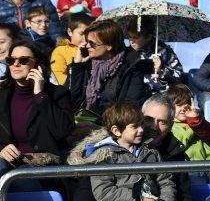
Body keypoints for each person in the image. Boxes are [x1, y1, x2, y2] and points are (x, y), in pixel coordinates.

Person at [0, 41, 74, 176]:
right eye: (11, 60)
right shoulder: (2, 95)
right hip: (6, 165)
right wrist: (2, 148)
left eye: (23, 60)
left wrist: (40, 95)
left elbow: (62, 131)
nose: (16, 64)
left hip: (44, 167)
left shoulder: (57, 94)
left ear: (38, 65)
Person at [68, 19, 150, 117]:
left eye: (92, 43)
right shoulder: (87, 64)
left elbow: (130, 108)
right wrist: (78, 66)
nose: (87, 45)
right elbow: (73, 103)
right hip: (84, 123)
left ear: (109, 46)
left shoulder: (131, 67)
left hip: (112, 125)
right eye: (87, 41)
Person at [126, 17, 183, 91]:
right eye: (130, 37)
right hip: (135, 94)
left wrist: (161, 70)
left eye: (136, 37)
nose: (131, 41)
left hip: (159, 96)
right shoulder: (128, 52)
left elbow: (178, 75)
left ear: (148, 37)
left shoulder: (164, 51)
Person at [166, 84, 210, 162]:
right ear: (170, 107)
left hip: (204, 168)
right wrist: (192, 127)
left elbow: (209, 149)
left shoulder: (199, 124)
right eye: (179, 105)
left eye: (187, 104)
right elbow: (179, 143)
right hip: (184, 170)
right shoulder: (168, 127)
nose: (184, 108)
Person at [51, 13, 92, 85]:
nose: (85, 38)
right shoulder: (60, 51)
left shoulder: (93, 49)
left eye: (88, 34)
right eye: (81, 34)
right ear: (70, 32)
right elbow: (58, 75)